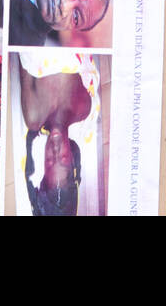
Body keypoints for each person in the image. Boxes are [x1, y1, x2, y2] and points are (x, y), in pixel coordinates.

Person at [17, 49, 102, 216]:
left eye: (49, 160)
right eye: (62, 158)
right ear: (72, 159)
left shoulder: (34, 115)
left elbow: (22, 51)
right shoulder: (84, 109)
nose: (55, 150)